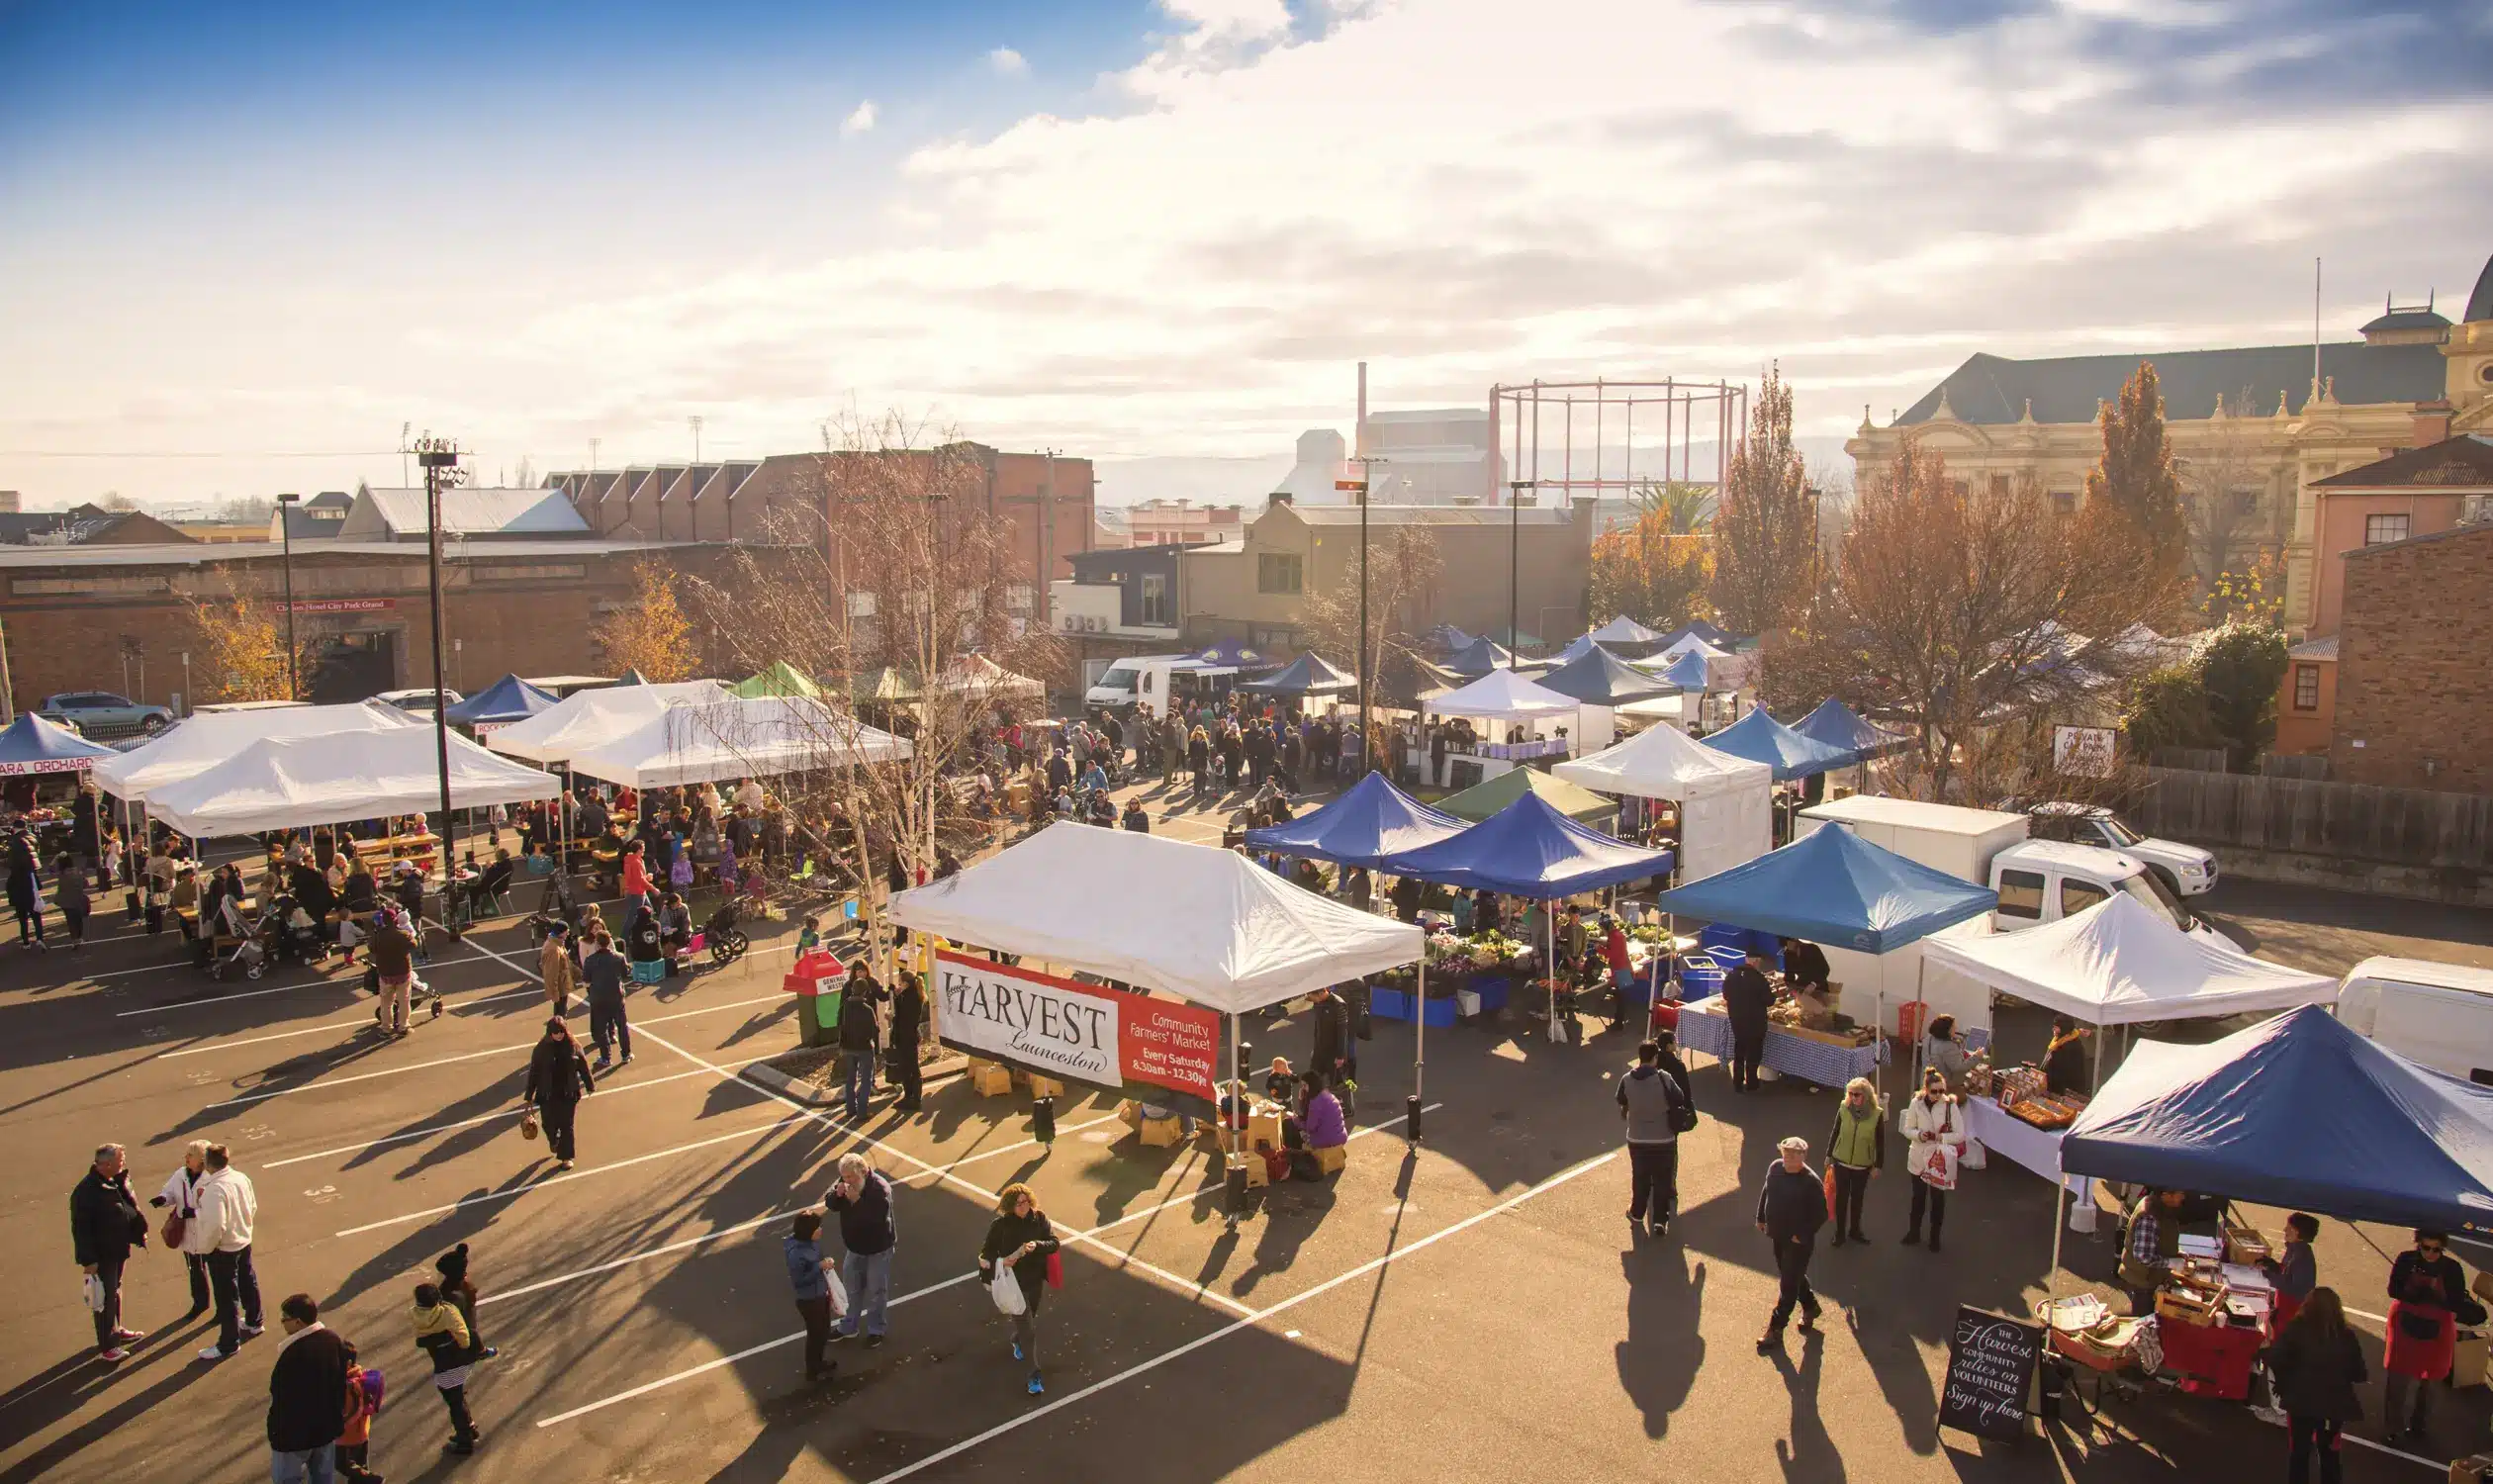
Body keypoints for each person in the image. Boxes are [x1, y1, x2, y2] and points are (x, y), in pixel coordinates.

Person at [2383, 1229, 2471, 1444]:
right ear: (2418, 1244)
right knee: (2398, 1380)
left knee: (2430, 1381)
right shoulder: (2405, 1260)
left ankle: (2419, 1425)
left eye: (2437, 1249)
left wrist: (2436, 1300)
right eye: (2426, 1248)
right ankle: (2392, 1428)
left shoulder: (2452, 1268)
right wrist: (2414, 1296)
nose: (2431, 1253)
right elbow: (2393, 1289)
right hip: (2405, 1323)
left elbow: (2456, 1301)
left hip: (2438, 1327)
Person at [2267, 1286, 2364, 1484]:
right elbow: (2360, 1373)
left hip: (2301, 1403)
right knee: (2329, 1454)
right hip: (2333, 1407)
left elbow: (2276, 1359)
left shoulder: (2297, 1328)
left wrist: (2285, 1383)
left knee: (2299, 1454)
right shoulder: (2346, 1336)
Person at [977, 1183, 1061, 1396]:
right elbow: (986, 1253)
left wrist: (1037, 1245)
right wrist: (1002, 1261)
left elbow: (1054, 1243)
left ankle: (1016, 1340)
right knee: (1028, 1330)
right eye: (1017, 1204)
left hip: (1035, 1281)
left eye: (1025, 1202)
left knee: (1030, 1316)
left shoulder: (1039, 1219)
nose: (1023, 1206)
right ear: (1009, 1206)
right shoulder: (1001, 1226)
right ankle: (1034, 1376)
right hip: (1013, 1283)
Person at [71, 1141, 149, 1362]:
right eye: (119, 1160)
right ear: (105, 1164)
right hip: (103, 1254)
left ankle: (115, 1330)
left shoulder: (114, 1180)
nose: (123, 1163)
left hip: (116, 1249)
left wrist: (137, 1231)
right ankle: (108, 1346)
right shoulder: (86, 1192)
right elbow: (81, 1229)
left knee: (114, 1292)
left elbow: (127, 1207)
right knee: (103, 1299)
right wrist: (88, 1260)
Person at [267, 1293, 350, 1484]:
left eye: (284, 1319)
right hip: (327, 1428)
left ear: (298, 1322)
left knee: (287, 1478)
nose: (282, 1323)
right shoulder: (332, 1340)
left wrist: (275, 1431)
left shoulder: (292, 1355)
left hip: (294, 1436)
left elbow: (281, 1396)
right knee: (323, 1477)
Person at [1754, 1136, 1826, 1351]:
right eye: (1785, 1153)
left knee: (1787, 1285)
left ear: (1803, 1156)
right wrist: (1760, 1217)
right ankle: (1811, 1307)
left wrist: (1802, 1235)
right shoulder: (1775, 1168)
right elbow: (1766, 1191)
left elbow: (1820, 1214)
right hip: (1778, 1234)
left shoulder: (1811, 1182)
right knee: (1791, 1276)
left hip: (1798, 1243)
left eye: (1794, 1154)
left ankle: (1775, 1329)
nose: (1788, 1157)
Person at [195, 1142, 263, 1361]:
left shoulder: (214, 1190)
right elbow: (252, 1206)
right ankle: (254, 1321)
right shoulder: (241, 1178)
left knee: (226, 1297)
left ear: (207, 1164)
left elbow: (216, 1226)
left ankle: (229, 1343)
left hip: (223, 1249)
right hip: (243, 1240)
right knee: (248, 1281)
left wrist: (205, 1248)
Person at [1617, 1039, 1691, 1237]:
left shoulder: (1626, 1079)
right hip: (1663, 1138)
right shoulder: (1664, 1078)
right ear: (1655, 1058)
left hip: (1637, 1138)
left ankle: (1637, 1213)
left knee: (1640, 1177)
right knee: (1662, 1179)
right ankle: (1660, 1220)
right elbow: (1679, 1097)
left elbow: (1621, 1099)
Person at [824, 1153, 897, 1347]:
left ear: (863, 1172)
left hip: (878, 1249)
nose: (847, 1181)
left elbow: (876, 1220)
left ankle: (876, 1329)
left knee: (876, 1291)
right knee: (852, 1289)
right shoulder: (845, 1180)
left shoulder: (880, 1189)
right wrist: (836, 1195)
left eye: (851, 1177)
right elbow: (831, 1204)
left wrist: (856, 1201)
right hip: (855, 1248)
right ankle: (848, 1326)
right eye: (844, 1177)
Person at [411, 1282, 481, 1455]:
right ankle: (467, 1432)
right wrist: (464, 1347)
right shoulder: (447, 1312)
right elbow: (463, 1335)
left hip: (441, 1363)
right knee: (456, 1399)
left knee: (454, 1399)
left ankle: (465, 1437)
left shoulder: (415, 1315)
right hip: (457, 1360)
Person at [1898, 1067, 1963, 1252]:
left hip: (1939, 1160)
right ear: (1926, 1090)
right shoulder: (1915, 1104)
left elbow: (1960, 1134)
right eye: (1934, 1091)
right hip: (1918, 1158)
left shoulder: (1950, 1105)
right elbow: (1907, 1129)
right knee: (1918, 1198)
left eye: (1942, 1091)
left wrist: (1941, 1137)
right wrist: (1920, 1135)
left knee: (1937, 1200)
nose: (1939, 1095)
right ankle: (1914, 1232)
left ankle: (1935, 1238)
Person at [151, 1139, 215, 1321]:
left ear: (201, 1160)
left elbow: (214, 1207)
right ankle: (200, 1303)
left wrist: (195, 1212)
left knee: (217, 1272)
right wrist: (163, 1199)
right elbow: (170, 1192)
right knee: (194, 1269)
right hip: (188, 1233)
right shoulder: (181, 1174)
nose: (186, 1158)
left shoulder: (210, 1178)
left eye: (190, 1155)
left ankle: (222, 1309)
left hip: (206, 1232)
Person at [522, 1017, 595, 1170]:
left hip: (568, 1093)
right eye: (556, 1032)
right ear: (550, 1033)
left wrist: (589, 1084)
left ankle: (566, 1157)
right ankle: (553, 1141)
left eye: (561, 1031)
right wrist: (529, 1095)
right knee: (548, 1124)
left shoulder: (573, 1046)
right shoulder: (541, 1049)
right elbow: (534, 1072)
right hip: (547, 1093)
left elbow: (583, 1065)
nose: (559, 1035)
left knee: (567, 1126)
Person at [1824, 1076, 1886, 1248]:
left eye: (1856, 1094)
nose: (1852, 1098)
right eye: (1850, 1094)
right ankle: (1840, 1233)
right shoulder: (1844, 1108)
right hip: (1841, 1162)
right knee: (1841, 1199)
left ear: (1866, 1095)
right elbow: (1835, 1131)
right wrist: (1829, 1155)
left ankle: (1855, 1230)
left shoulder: (1877, 1114)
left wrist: (1878, 1165)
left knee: (1857, 1199)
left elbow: (1880, 1142)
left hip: (1862, 1164)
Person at [786, 1211, 841, 1385]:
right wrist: (819, 1266)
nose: (820, 1230)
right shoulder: (796, 1254)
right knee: (815, 1334)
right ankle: (813, 1368)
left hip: (820, 1294)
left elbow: (818, 1260)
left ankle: (818, 1362)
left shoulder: (813, 1244)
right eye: (817, 1228)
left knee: (823, 1331)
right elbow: (800, 1281)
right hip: (809, 1300)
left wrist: (824, 1263)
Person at [2117, 1187, 2185, 1317]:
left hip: (2148, 1278)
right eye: (2180, 1194)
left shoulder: (2160, 1208)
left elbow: (2157, 1240)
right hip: (2143, 1282)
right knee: (2141, 1321)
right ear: (2166, 1195)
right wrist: (2170, 1262)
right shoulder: (2149, 1216)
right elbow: (2143, 1256)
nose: (2183, 1197)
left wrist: (2176, 1253)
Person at [1722, 945, 1774, 1093]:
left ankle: (1737, 1082)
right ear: (1757, 961)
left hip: (1737, 1021)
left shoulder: (1732, 975)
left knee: (1739, 1052)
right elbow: (1769, 1000)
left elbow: (1726, 996)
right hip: (1755, 1023)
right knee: (1753, 1054)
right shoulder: (1759, 979)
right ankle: (1752, 1082)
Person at [838, 963, 884, 1121]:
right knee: (865, 1080)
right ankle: (862, 1111)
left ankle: (850, 1108)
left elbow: (840, 1024)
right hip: (864, 1047)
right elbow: (874, 1031)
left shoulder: (845, 1007)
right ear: (864, 992)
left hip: (848, 1047)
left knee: (850, 1080)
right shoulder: (867, 1009)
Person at [582, 931, 632, 1069]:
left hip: (598, 998)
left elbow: (586, 980)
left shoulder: (590, 960)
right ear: (610, 942)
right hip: (616, 996)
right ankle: (626, 1054)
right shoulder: (619, 957)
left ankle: (606, 1057)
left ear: (597, 943)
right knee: (622, 1026)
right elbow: (625, 973)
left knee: (601, 1029)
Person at [335, 1340, 383, 1484]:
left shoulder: (349, 1386)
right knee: (359, 1468)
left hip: (347, 1436)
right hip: (362, 1431)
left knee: (340, 1463)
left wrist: (337, 1426)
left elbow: (352, 1412)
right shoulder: (360, 1376)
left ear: (348, 1363)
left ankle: (373, 1479)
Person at [2262, 1212, 2321, 1327]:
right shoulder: (2295, 1248)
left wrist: (2268, 1275)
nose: (2284, 1230)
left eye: (2289, 1228)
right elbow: (2287, 1271)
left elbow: (2295, 1288)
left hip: (2290, 1313)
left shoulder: (2303, 1257)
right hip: (2283, 1307)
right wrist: (2273, 1265)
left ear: (2297, 1232)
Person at [366, 910, 417, 1038]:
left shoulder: (378, 936)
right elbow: (414, 944)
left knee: (386, 1003)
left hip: (385, 973)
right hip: (402, 973)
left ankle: (386, 1028)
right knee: (404, 1001)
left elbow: (371, 948)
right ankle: (403, 1026)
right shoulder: (403, 934)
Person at [886, 969, 926, 1112]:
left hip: (907, 1037)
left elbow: (904, 1018)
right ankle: (910, 1096)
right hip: (905, 1036)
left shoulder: (912, 998)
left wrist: (893, 1017)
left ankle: (915, 1098)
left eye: (900, 983)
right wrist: (895, 996)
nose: (899, 986)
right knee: (906, 1067)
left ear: (906, 984)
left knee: (911, 1068)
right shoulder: (910, 995)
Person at [1307, 982, 1352, 1090]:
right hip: (1319, 1050)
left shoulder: (1338, 1005)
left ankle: (1337, 1105)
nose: (1313, 1001)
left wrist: (1340, 1056)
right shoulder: (1318, 1004)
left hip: (1333, 1052)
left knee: (1336, 1084)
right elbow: (1317, 1027)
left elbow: (1342, 1032)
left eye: (1313, 998)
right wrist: (1315, 1047)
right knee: (1313, 1080)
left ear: (1321, 993)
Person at [1923, 1013, 1979, 1093]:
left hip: (1928, 1081)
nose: (1956, 1028)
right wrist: (1977, 1057)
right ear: (1947, 1029)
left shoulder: (1928, 1039)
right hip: (1945, 1086)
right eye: (1953, 1026)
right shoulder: (1948, 1046)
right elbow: (1959, 1068)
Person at [2043, 1015, 2091, 1095]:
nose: (2053, 1029)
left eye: (2056, 1027)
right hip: (2058, 1086)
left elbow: (2063, 1072)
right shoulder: (2061, 1039)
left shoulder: (2070, 1046)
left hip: (2064, 1091)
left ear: (2064, 1028)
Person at [1300, 1071, 1348, 1152]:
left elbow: (1310, 1128)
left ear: (1311, 1085)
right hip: (1341, 1137)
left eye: (1304, 1085)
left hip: (1326, 1142)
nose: (1303, 1088)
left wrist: (1296, 1121)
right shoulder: (1328, 1095)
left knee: (1301, 1134)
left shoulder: (1315, 1102)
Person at [539, 920, 578, 1017]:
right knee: (560, 1014)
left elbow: (567, 963)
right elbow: (551, 974)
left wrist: (580, 973)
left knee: (561, 1013)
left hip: (562, 987)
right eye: (567, 931)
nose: (568, 933)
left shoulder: (558, 943)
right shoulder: (553, 949)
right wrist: (555, 994)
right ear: (561, 932)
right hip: (560, 989)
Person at [54, 853, 91, 950]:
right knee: (78, 920)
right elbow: (86, 884)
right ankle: (78, 937)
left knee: (71, 921)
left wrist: (56, 857)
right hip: (78, 898)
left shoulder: (61, 875)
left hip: (66, 901)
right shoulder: (77, 872)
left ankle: (75, 939)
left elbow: (51, 869)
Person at [620, 840, 651, 922]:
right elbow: (639, 879)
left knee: (649, 911)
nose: (644, 849)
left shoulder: (630, 860)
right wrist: (653, 889)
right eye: (643, 848)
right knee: (632, 917)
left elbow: (635, 877)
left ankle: (650, 930)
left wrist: (645, 877)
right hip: (638, 892)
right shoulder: (636, 862)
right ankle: (625, 935)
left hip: (634, 891)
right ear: (638, 850)